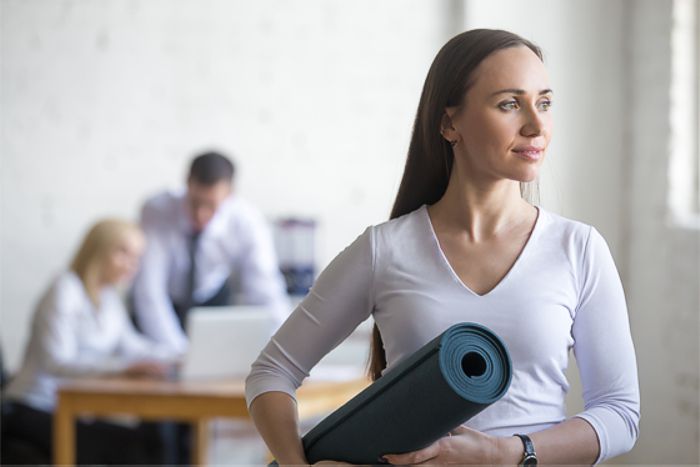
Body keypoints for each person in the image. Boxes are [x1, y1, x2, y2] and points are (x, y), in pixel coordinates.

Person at [245, 29, 640, 465]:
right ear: (449, 123)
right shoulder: (385, 250)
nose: (536, 125)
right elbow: (272, 372)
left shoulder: (578, 248)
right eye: (510, 104)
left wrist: (507, 454)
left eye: (544, 103)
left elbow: (620, 415)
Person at [2, 219, 174, 465]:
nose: (132, 265)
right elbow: (57, 363)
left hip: (70, 410)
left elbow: (133, 346)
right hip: (33, 406)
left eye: (136, 257)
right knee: (131, 446)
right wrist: (123, 368)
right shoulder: (65, 288)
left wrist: (179, 355)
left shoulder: (108, 297)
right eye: (123, 252)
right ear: (98, 249)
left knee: (152, 439)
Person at [131, 151, 289, 355]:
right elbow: (149, 290)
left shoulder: (247, 221)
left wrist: (285, 349)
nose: (200, 214)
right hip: (165, 301)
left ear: (230, 194)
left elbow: (265, 288)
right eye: (195, 203)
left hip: (212, 301)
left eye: (211, 206)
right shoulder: (157, 209)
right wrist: (178, 354)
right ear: (187, 183)